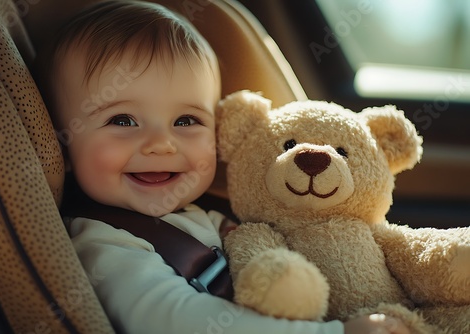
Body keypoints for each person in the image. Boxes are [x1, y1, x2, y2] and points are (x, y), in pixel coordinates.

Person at [35, 1, 410, 333]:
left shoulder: (204, 218)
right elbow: (180, 320)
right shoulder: (103, 244)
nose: (161, 144)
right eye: (122, 120)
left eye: (185, 121)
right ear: (62, 145)